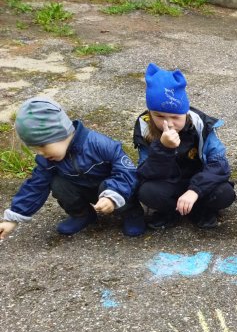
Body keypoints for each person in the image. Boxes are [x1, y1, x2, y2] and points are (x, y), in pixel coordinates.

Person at [0, 97, 143, 239]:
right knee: (58, 183)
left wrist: (113, 195)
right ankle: (83, 215)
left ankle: (132, 213)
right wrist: (13, 218)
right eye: (35, 149)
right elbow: (35, 186)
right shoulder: (47, 160)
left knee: (120, 184)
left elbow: (127, 172)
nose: (40, 153)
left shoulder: (99, 144)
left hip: (113, 190)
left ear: (60, 133)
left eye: (42, 146)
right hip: (83, 189)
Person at [133, 63, 236, 229]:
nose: (168, 123)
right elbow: (144, 172)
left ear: (185, 111)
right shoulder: (144, 126)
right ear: (150, 113)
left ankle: (201, 210)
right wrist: (163, 149)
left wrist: (195, 190)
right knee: (147, 192)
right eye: (159, 116)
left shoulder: (201, 124)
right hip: (168, 183)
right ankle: (170, 212)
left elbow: (220, 165)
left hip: (198, 181)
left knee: (225, 193)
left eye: (175, 116)